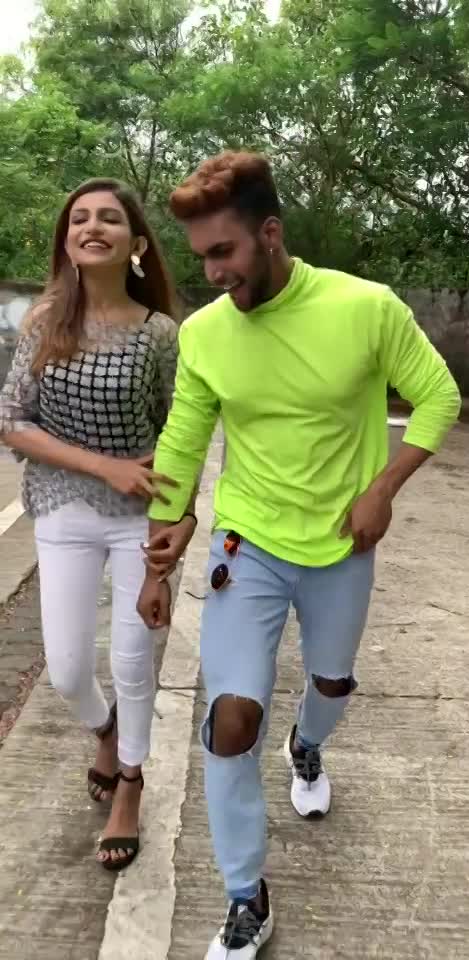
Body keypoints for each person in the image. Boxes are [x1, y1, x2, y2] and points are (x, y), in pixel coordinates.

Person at [137, 151, 461, 958]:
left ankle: (308, 745)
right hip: (247, 542)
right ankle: (245, 895)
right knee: (230, 719)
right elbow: (184, 436)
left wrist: (384, 487)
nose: (213, 273)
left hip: (342, 543)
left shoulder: (365, 308)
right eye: (201, 257)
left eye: (224, 252)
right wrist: (162, 546)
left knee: (331, 682)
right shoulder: (206, 334)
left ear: (271, 233)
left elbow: (438, 395)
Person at [0, 178, 197, 871]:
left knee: (133, 662)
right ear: (67, 240)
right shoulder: (44, 322)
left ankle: (131, 782)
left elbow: (183, 429)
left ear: (135, 243)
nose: (92, 227)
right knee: (66, 670)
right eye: (79, 218)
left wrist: (182, 515)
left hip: (140, 517)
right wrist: (103, 466)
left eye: (109, 218)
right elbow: (12, 421)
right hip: (62, 508)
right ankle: (105, 731)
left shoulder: (159, 334)